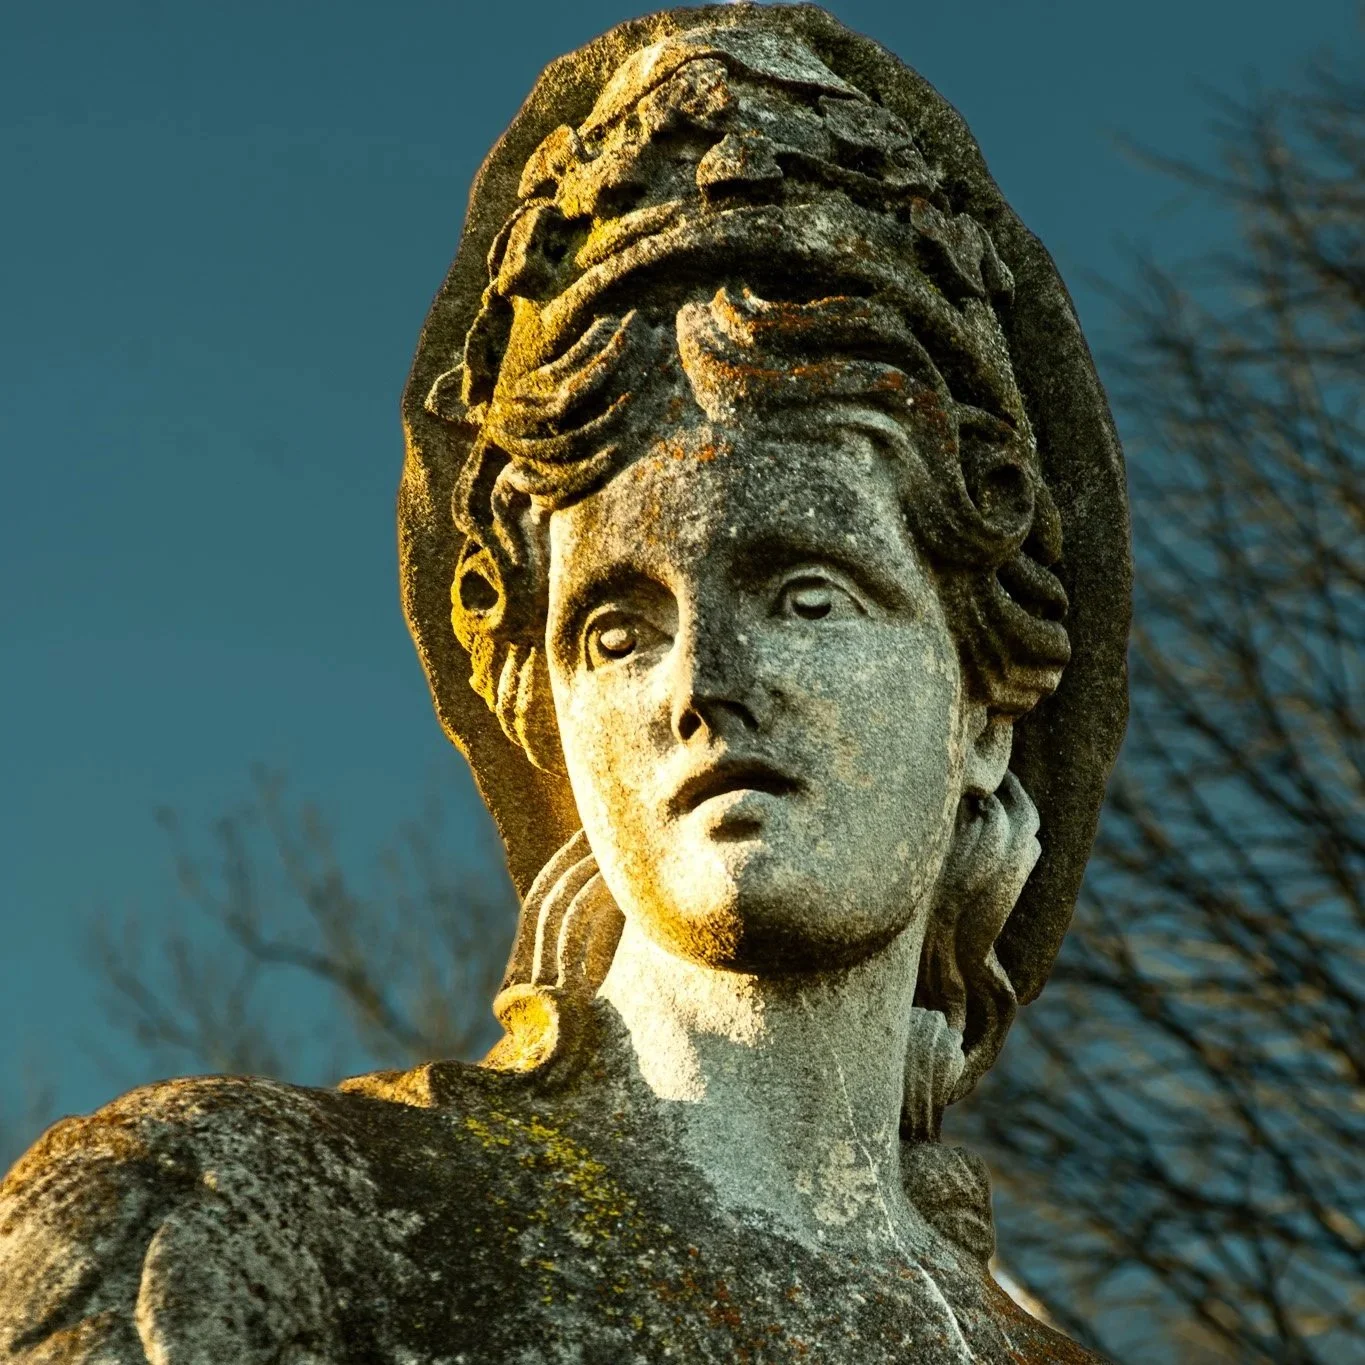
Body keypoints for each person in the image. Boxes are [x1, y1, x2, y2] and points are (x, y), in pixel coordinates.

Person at [0, 10, 1128, 1361]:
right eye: (614, 629)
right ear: (544, 719)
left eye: (806, 594)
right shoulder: (252, 1232)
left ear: (988, 706)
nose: (705, 686)